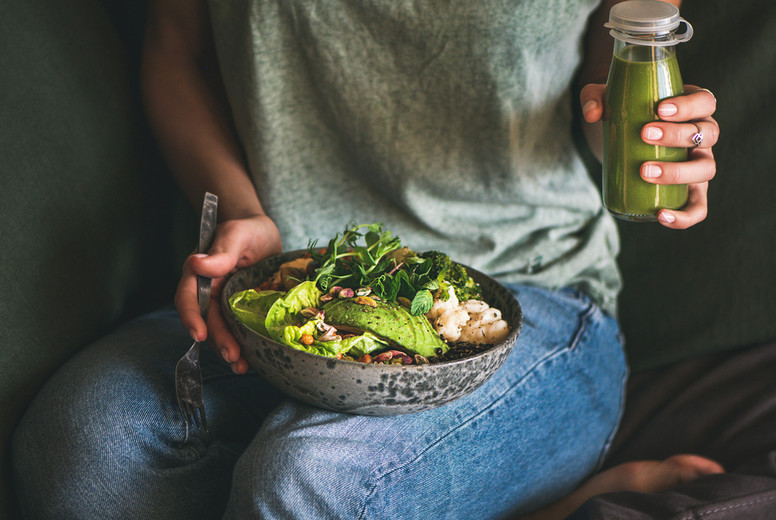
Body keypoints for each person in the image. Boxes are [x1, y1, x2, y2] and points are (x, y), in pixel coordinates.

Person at [12, 0, 720, 518]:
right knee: (80, 451)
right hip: (277, 292)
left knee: (304, 484)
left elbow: (618, 88)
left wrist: (656, 143)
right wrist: (239, 210)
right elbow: (177, 48)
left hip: (526, 296)